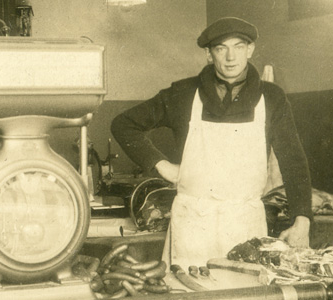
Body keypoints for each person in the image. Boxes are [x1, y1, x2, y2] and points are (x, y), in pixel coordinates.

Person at [111, 17, 313, 267]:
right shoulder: (183, 94)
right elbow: (123, 124)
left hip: (245, 224)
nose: (231, 57)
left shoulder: (271, 98)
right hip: (192, 225)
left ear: (250, 50)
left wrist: (302, 219)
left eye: (239, 47)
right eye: (221, 48)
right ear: (209, 54)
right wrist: (161, 165)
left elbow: (293, 160)